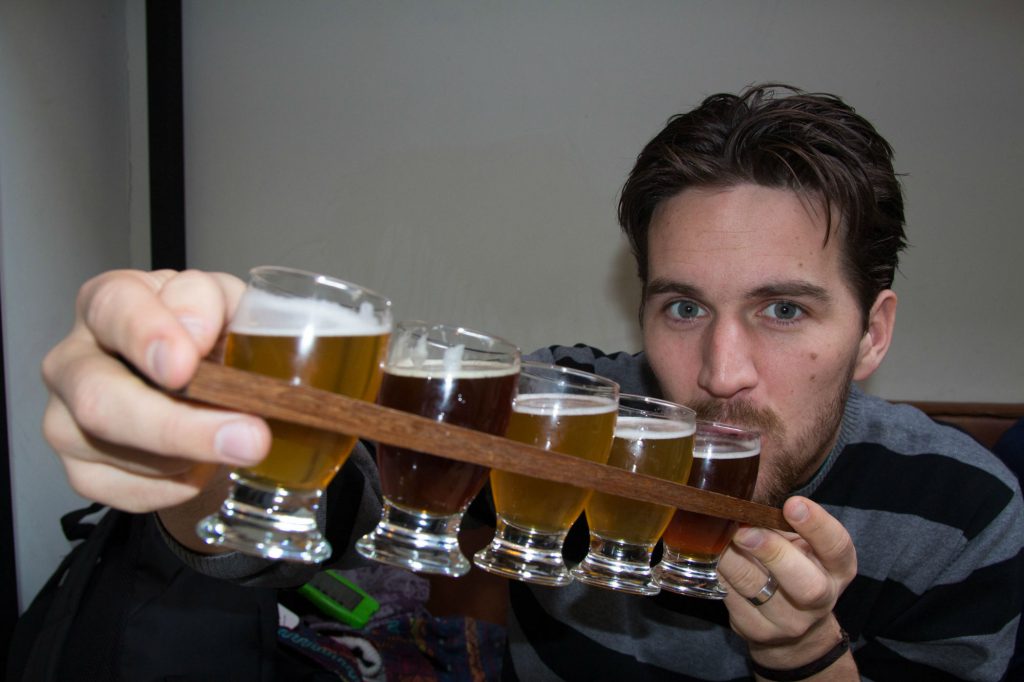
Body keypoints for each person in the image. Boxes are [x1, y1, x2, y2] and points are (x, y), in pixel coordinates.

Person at [38, 84, 1023, 681]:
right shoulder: (569, 416)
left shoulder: (963, 510)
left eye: (783, 310)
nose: (721, 376)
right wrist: (194, 458)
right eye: (682, 307)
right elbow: (347, 494)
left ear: (872, 331)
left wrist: (807, 654)